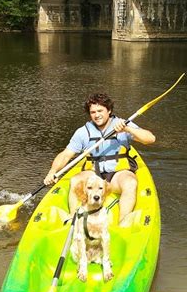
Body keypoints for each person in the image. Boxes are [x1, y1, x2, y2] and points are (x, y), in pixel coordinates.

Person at [44, 92, 155, 223]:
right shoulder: (83, 132)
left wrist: (128, 130)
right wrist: (52, 172)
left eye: (100, 111)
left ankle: (123, 221)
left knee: (130, 183)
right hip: (93, 176)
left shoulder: (122, 124)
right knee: (75, 180)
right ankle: (73, 217)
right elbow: (66, 154)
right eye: (93, 112)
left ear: (109, 110)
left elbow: (150, 139)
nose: (97, 115)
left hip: (117, 175)